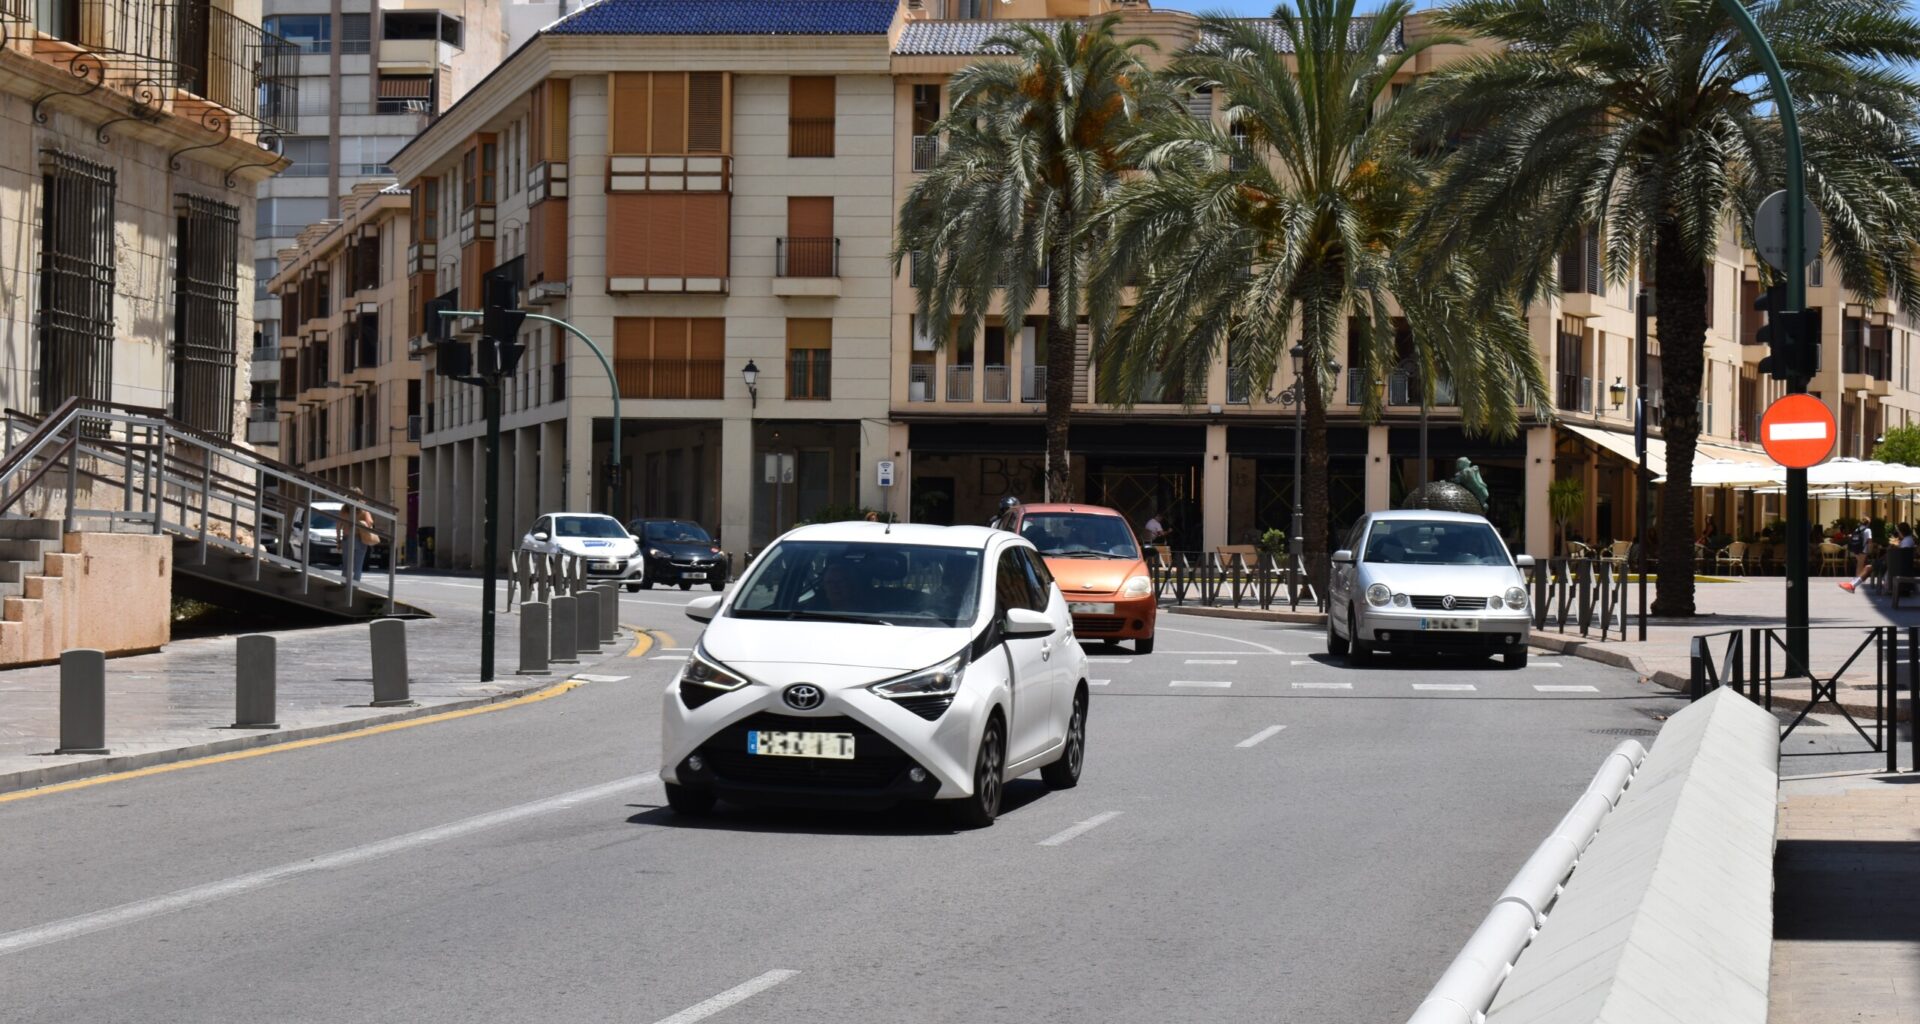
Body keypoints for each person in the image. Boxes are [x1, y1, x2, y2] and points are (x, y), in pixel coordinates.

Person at [347, 489, 378, 585]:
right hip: (360, 538)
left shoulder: (346, 509)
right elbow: (370, 522)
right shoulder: (363, 510)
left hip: (348, 537)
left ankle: (346, 583)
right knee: (358, 565)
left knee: (348, 564)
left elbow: (340, 523)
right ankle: (355, 585)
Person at [1840, 519, 1874, 592]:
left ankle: (1857, 579)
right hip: (1863, 549)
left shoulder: (1857, 529)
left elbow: (1852, 537)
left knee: (1859, 564)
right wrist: (1870, 549)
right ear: (1868, 523)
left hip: (1855, 548)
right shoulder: (1868, 530)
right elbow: (1870, 540)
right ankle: (1857, 580)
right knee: (1860, 564)